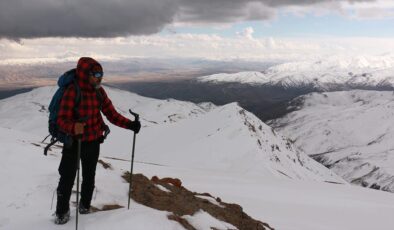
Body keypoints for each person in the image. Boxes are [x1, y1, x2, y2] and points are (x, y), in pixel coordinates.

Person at [54, 57, 141, 224]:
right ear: (85, 74)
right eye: (96, 74)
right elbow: (61, 119)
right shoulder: (72, 91)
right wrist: (73, 128)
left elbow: (111, 114)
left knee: (89, 177)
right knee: (67, 178)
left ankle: (85, 207)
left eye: (101, 74)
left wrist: (130, 125)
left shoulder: (98, 92)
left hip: (92, 141)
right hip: (74, 142)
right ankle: (61, 213)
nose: (100, 77)